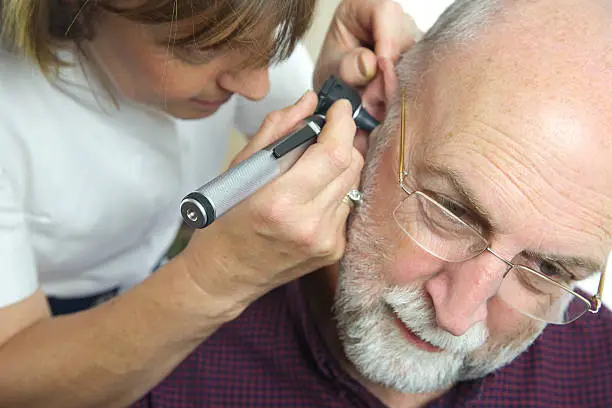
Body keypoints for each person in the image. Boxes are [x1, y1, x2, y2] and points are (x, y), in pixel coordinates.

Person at [132, 0, 612, 407]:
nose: (458, 316)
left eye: (547, 269)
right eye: (451, 212)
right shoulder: (160, 370)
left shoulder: (597, 377)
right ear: (378, 110)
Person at [0, 0, 418, 407]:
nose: (258, 87)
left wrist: (353, 96)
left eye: (269, 44)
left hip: (156, 268)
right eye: (201, 49)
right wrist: (212, 277)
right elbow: (12, 382)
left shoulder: (231, 27)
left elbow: (316, 133)